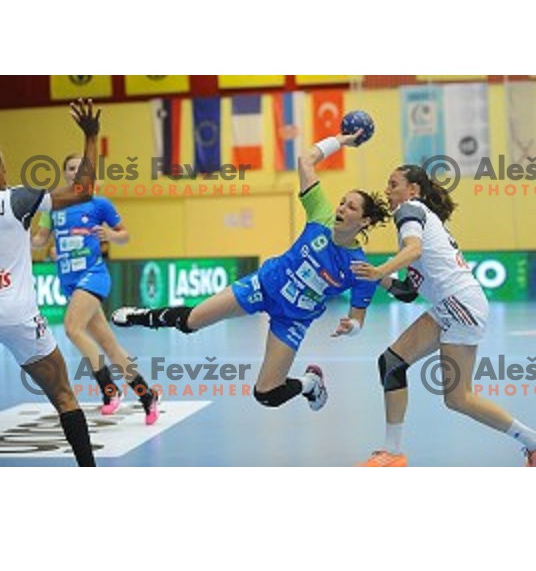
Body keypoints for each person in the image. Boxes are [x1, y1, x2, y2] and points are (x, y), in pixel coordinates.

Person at [112, 132, 390, 412]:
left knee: (267, 394)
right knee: (190, 322)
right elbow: (306, 160)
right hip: (263, 286)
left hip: (293, 319)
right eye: (342, 201)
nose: (341, 207)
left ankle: (309, 383)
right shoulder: (321, 214)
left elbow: (358, 319)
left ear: (364, 220)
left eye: (351, 207)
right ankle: (140, 315)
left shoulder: (361, 267)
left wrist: (351, 327)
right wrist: (341, 141)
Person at [0, 99, 102, 467]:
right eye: (3, 170)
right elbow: (83, 191)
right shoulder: (16, 199)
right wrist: (91, 137)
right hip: (19, 316)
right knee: (63, 397)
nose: (7, 175)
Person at [352, 164, 536, 467]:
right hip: (451, 305)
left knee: (458, 397)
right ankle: (392, 453)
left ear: (413, 190)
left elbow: (413, 251)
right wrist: (378, 279)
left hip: (460, 304)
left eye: (393, 183)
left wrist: (381, 268)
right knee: (392, 363)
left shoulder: (409, 210)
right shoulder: (419, 218)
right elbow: (409, 292)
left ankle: (531, 441)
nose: (387, 190)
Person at [31, 155, 159, 424]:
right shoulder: (52, 206)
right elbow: (40, 240)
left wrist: (111, 236)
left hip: (93, 275)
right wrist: (22, 236)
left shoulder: (99, 203)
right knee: (110, 346)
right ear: (65, 174)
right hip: (69, 281)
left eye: (81, 168)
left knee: (72, 328)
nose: (76, 173)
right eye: (71, 168)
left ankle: (109, 391)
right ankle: (146, 394)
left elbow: (125, 234)